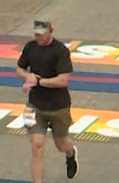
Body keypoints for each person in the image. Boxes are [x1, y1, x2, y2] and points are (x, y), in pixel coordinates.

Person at [17, 20, 79, 182]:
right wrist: (27, 76)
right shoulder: (30, 47)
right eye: (36, 34)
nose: (38, 37)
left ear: (50, 32)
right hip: (35, 106)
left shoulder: (60, 51)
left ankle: (70, 153)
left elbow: (63, 80)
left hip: (58, 106)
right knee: (37, 146)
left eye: (41, 34)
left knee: (61, 143)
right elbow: (19, 68)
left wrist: (40, 82)